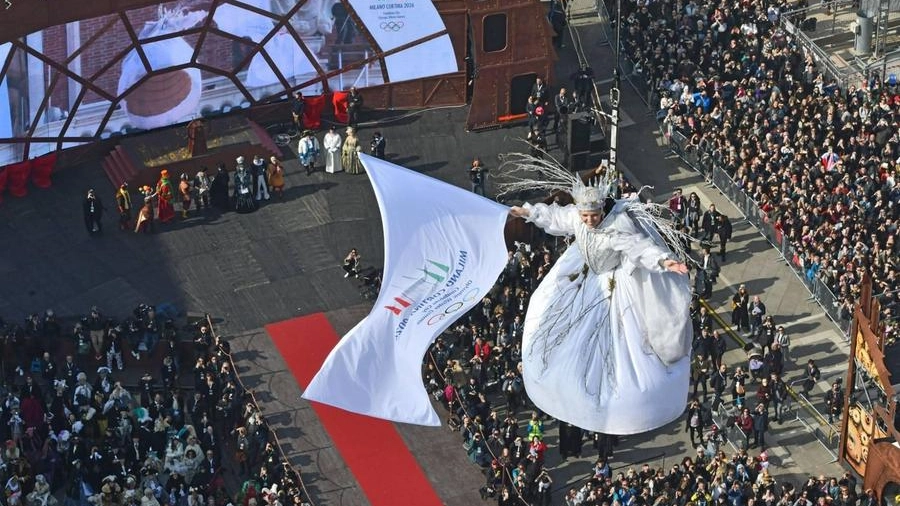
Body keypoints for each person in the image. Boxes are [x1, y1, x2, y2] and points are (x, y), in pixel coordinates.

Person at [504, 156, 692, 434]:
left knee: (617, 340)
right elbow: (555, 216)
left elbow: (638, 247)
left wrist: (664, 260)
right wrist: (529, 212)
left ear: (602, 212)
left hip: (613, 284)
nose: (589, 221)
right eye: (585, 216)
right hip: (585, 277)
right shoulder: (578, 220)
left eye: (593, 216)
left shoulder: (617, 227)